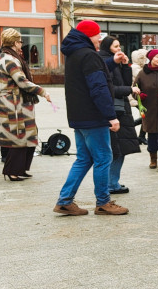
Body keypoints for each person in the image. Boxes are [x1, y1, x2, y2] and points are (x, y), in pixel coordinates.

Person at [53, 20, 128, 216]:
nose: (99, 39)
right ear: (89, 36)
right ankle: (103, 202)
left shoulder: (75, 53)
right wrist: (110, 116)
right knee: (104, 158)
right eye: (97, 35)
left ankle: (65, 200)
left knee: (84, 159)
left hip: (79, 116)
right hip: (94, 117)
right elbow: (99, 88)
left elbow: (94, 70)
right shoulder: (89, 55)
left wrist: (113, 61)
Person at [0, 28, 51, 181]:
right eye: (20, 41)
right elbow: (22, 81)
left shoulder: (9, 57)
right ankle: (12, 171)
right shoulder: (9, 59)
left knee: (29, 136)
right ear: (14, 42)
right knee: (19, 137)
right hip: (13, 104)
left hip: (18, 102)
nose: (21, 44)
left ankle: (21, 168)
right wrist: (42, 92)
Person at [100, 36, 140, 193]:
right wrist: (129, 90)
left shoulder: (115, 61)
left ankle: (112, 182)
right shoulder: (104, 61)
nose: (119, 49)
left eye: (119, 46)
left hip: (121, 109)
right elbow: (112, 88)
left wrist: (125, 66)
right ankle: (111, 184)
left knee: (120, 149)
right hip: (114, 111)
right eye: (115, 46)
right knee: (117, 150)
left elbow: (124, 82)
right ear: (108, 47)